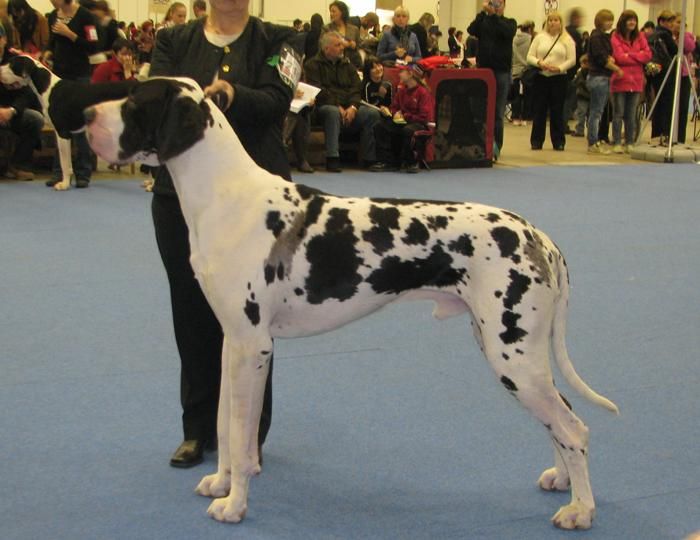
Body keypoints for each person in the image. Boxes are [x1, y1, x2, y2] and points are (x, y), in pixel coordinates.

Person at [149, 0, 302, 468]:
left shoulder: (282, 39)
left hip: (260, 208)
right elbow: (157, 103)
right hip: (183, 202)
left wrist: (234, 93)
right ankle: (196, 430)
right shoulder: (172, 40)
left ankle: (249, 436)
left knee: (253, 322)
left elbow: (277, 100)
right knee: (190, 311)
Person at [304, 30, 379, 172]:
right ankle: (332, 158)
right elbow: (319, 91)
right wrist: (338, 106)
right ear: (327, 49)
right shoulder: (312, 65)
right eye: (338, 45)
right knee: (332, 112)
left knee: (371, 114)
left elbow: (356, 88)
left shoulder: (347, 65)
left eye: (342, 44)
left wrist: (353, 107)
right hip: (323, 107)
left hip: (349, 107)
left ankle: (369, 158)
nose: (342, 47)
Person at [44, 0, 100, 189]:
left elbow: (93, 46)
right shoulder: (53, 15)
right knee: (59, 125)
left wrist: (70, 34)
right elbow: (52, 42)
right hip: (59, 76)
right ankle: (59, 172)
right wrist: (48, 52)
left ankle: (83, 172)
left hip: (79, 76)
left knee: (80, 124)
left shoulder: (86, 16)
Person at [467, 0, 516, 156]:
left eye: (499, 3)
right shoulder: (484, 21)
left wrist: (494, 15)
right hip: (483, 72)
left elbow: (507, 33)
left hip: (501, 72)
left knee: (498, 113)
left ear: (504, 6)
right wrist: (483, 13)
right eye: (493, 2)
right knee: (479, 110)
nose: (495, 6)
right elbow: (471, 29)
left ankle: (496, 148)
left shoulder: (510, 23)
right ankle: (480, 145)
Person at [370, 64, 433, 173]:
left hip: (418, 124)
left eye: (401, 72)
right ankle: (389, 161)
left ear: (410, 74)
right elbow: (394, 107)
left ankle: (412, 161)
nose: (399, 74)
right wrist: (391, 112)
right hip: (403, 121)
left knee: (408, 130)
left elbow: (423, 117)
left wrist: (405, 116)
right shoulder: (402, 91)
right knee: (380, 126)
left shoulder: (423, 93)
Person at [526, 11, 575, 151]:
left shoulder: (567, 39)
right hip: (541, 77)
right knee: (539, 110)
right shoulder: (539, 37)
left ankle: (558, 141)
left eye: (556, 20)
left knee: (557, 111)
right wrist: (539, 62)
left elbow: (572, 59)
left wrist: (560, 68)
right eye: (550, 20)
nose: (553, 23)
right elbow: (529, 56)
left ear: (561, 23)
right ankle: (536, 140)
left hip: (559, 78)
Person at [0, 24, 44, 180]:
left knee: (35, 119)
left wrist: (12, 110)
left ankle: (18, 165)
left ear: (4, 40)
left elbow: (27, 93)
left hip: (11, 112)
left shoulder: (16, 61)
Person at [610, 9, 651, 153]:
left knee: (632, 114)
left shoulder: (640, 36)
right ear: (623, 21)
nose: (632, 22)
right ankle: (616, 142)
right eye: (629, 19)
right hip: (620, 81)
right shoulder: (615, 37)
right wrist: (637, 55)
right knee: (618, 113)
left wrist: (629, 55)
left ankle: (629, 142)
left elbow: (648, 55)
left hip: (636, 81)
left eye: (634, 19)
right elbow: (619, 57)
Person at [586, 9, 622, 154]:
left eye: (611, 20)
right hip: (598, 77)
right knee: (596, 112)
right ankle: (593, 142)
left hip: (602, 77)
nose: (610, 23)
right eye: (607, 20)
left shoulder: (602, 36)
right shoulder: (596, 37)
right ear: (600, 21)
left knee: (597, 111)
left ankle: (594, 140)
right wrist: (617, 69)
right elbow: (601, 58)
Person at [648, 11, 677, 144]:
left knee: (658, 103)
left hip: (656, 71)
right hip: (666, 71)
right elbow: (675, 51)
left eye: (672, 21)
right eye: (669, 21)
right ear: (661, 21)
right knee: (666, 103)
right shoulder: (665, 35)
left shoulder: (653, 34)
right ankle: (664, 134)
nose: (672, 24)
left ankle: (656, 134)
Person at [672, 12, 695, 144]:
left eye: (683, 23)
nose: (680, 25)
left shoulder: (688, 36)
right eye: (678, 22)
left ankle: (680, 138)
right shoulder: (669, 37)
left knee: (683, 107)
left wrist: (682, 34)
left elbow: (690, 47)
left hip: (684, 75)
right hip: (671, 74)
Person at [323, 1, 361, 69]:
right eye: (330, 11)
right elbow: (322, 46)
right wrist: (343, 43)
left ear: (342, 12)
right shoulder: (327, 28)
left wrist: (353, 45)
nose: (331, 14)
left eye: (334, 11)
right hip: (333, 65)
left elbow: (358, 47)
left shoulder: (354, 29)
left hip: (352, 65)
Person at [564, 8, 584, 134]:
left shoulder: (564, 31)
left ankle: (561, 124)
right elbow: (578, 54)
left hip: (562, 70)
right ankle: (563, 124)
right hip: (572, 71)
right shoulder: (575, 34)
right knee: (569, 100)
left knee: (563, 99)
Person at [511, 20, 533, 126]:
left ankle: (515, 117)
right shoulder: (531, 39)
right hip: (527, 70)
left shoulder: (514, 39)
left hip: (515, 70)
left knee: (516, 95)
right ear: (530, 29)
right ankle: (525, 118)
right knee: (527, 96)